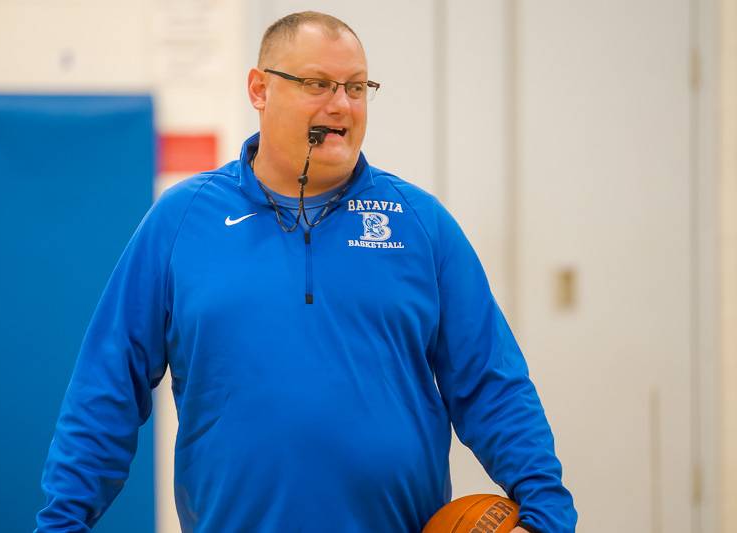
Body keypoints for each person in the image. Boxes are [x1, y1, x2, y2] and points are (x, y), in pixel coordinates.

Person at [35, 11, 577, 533]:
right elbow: (106, 383)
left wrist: (547, 517)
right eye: (318, 84)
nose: (342, 105)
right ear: (259, 89)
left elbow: (492, 382)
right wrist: (62, 522)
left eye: (357, 87)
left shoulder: (421, 224)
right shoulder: (180, 221)